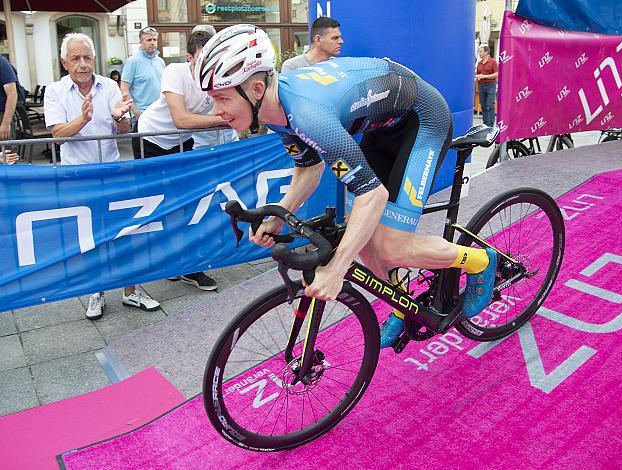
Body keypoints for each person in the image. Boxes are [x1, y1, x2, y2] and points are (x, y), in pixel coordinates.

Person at [196, 25, 498, 348]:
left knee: (390, 246)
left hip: (424, 120)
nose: (216, 111)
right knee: (364, 240)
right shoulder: (273, 110)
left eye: (222, 98)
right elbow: (308, 168)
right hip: (384, 126)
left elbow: (373, 195)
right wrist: (278, 217)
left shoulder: (308, 114)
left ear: (256, 89)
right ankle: (402, 305)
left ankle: (481, 261)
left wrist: (337, 269)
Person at [44, 32, 160, 319]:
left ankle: (131, 292)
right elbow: (57, 134)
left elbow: (122, 130)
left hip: (112, 171)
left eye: (87, 57)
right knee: (90, 237)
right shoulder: (55, 91)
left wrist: (121, 118)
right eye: (76, 58)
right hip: (78, 177)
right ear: (64, 62)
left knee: (123, 232)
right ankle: (96, 292)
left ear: (94, 59)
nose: (83, 64)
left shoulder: (108, 86)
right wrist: (82, 119)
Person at [137, 30, 229, 290]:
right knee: (157, 206)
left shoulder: (217, 75)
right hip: (150, 140)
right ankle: (164, 262)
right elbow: (182, 119)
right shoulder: (175, 71)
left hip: (182, 142)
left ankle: (190, 266)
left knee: (188, 203)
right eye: (202, 59)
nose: (209, 65)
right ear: (189, 58)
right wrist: (225, 119)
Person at [188, 24, 239, 150]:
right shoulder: (184, 74)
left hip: (230, 138)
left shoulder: (227, 69)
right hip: (202, 143)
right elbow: (183, 119)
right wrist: (223, 119)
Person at [120, 26, 166, 157]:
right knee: (143, 156)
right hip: (142, 115)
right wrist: (137, 113)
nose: (153, 43)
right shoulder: (132, 62)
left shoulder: (160, 62)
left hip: (159, 115)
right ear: (141, 42)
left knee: (161, 155)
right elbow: (124, 89)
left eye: (155, 40)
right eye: (149, 40)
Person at [475, 45, 498, 127]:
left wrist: (485, 76)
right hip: (481, 85)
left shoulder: (493, 61)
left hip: (491, 85)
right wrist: (477, 76)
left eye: (480, 51)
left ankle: (491, 125)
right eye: (479, 51)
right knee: (483, 105)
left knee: (490, 105)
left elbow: (496, 74)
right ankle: (485, 124)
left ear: (486, 52)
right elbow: (477, 73)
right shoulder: (479, 63)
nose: (479, 53)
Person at [0, 55, 18, 142]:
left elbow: (12, 94)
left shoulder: (2, 63)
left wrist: (5, 123)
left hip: (2, 116)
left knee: (6, 153)